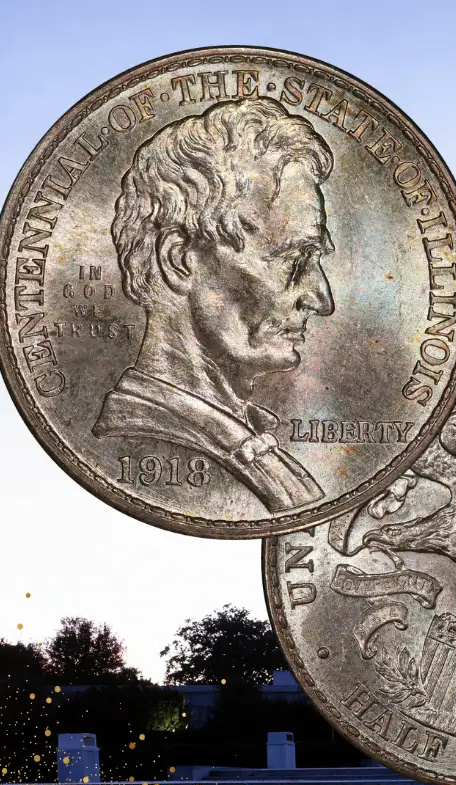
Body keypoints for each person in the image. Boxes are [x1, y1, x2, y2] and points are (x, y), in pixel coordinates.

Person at [94, 97, 336, 510]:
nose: (321, 299)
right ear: (179, 259)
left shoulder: (256, 445)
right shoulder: (152, 447)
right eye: (292, 259)